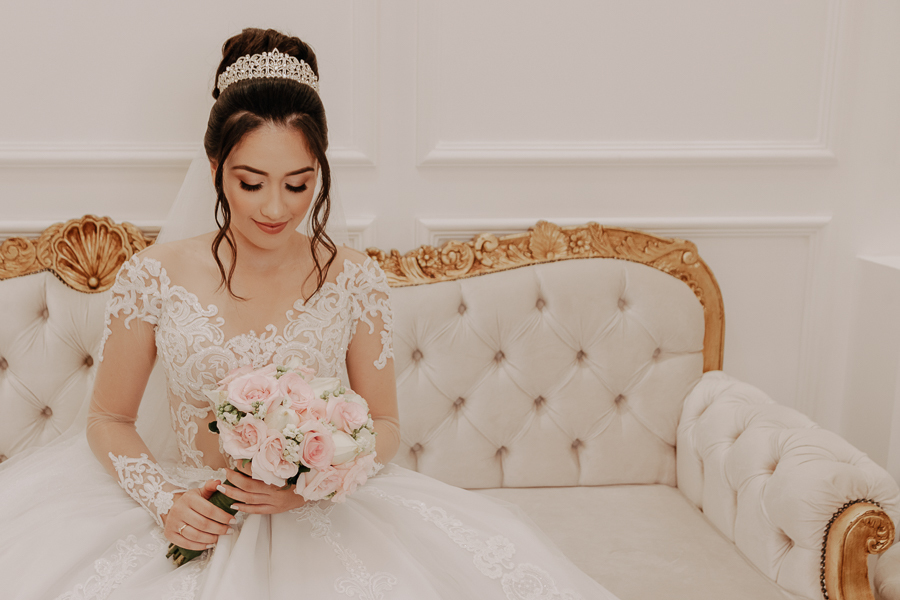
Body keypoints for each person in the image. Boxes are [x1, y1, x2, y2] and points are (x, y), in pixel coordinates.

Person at [0, 28, 618, 599]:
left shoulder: (354, 278)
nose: (276, 208)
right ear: (216, 170)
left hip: (316, 512)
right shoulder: (154, 275)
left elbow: (384, 425)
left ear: (318, 171)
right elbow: (109, 417)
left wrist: (312, 486)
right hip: (195, 503)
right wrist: (166, 501)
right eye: (251, 183)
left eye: (298, 184)